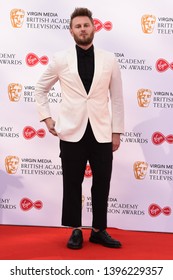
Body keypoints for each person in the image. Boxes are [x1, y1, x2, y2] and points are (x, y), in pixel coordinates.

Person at [35, 7, 124, 249]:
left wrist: (116, 131)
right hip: (71, 131)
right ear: (71, 31)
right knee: (72, 182)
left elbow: (116, 98)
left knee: (102, 182)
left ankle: (98, 230)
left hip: (102, 132)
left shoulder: (110, 59)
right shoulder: (61, 59)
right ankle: (75, 229)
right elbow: (39, 89)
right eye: (77, 26)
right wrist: (47, 118)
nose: (82, 29)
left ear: (94, 27)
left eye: (86, 25)